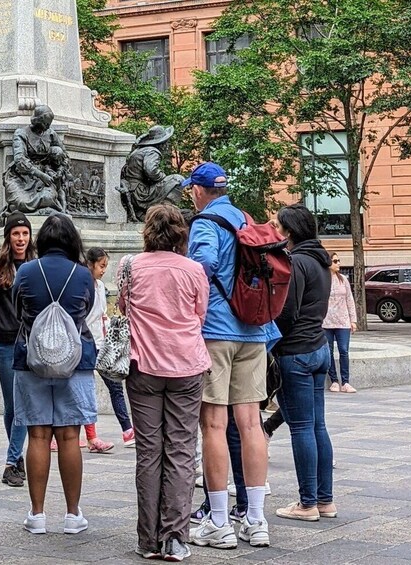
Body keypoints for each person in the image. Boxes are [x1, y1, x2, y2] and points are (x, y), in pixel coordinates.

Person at [186, 162, 279, 550]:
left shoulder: (205, 222)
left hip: (217, 332)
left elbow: (203, 263)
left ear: (199, 190)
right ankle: (255, 519)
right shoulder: (245, 218)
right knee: (251, 424)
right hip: (254, 330)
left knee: (213, 424)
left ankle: (219, 521)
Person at [120, 204, 210, 561]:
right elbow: (199, 314)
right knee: (181, 451)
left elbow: (124, 307)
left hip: (143, 366)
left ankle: (147, 540)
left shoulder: (129, 265)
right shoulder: (194, 270)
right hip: (187, 366)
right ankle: (175, 537)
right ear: (180, 234)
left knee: (148, 452)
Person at [12, 213, 97, 536]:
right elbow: (85, 311)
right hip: (74, 362)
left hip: (32, 359)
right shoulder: (83, 274)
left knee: (37, 435)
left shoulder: (27, 271)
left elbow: (18, 306)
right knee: (69, 436)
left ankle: (37, 514)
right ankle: (73, 514)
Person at [272, 204, 335, 522]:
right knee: (317, 426)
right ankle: (325, 500)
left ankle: (307, 504)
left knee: (301, 429)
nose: (274, 231)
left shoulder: (296, 262)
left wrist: (270, 340)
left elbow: (286, 313)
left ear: (289, 232)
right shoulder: (321, 260)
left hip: (295, 352)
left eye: (277, 226)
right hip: (319, 348)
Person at [0, 211, 35, 488]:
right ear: (8, 237)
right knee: (11, 407)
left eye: (25, 234)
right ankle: (17, 457)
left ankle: (11, 462)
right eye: (16, 233)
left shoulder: (36, 266)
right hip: (3, 342)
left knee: (22, 404)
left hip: (28, 344)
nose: (21, 239)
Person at [85, 247, 131, 451]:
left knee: (114, 386)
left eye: (105, 266)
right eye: (101, 266)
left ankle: (127, 429)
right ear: (91, 264)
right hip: (86, 342)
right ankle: (90, 435)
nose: (103, 270)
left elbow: (101, 313)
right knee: (85, 389)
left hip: (101, 342)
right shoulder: (83, 284)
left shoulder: (101, 285)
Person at [323, 253, 357, 393]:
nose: (338, 263)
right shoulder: (323, 280)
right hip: (326, 322)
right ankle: (334, 381)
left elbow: (350, 299)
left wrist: (353, 320)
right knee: (328, 351)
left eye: (339, 261)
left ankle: (346, 381)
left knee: (344, 351)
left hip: (343, 321)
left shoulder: (343, 279)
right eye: (335, 261)